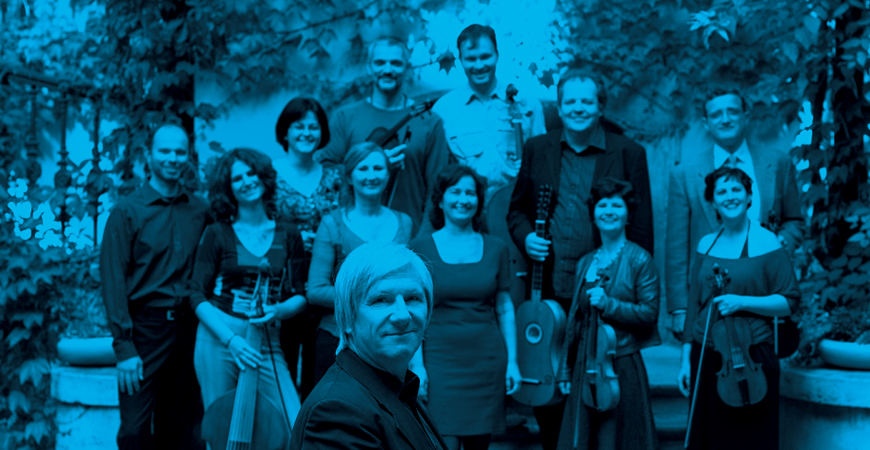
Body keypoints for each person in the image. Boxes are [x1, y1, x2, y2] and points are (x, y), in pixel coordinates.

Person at [506, 67, 654, 450]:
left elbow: (641, 227)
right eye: (570, 101)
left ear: (600, 107)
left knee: (599, 392)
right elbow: (516, 210)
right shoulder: (537, 148)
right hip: (550, 289)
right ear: (559, 107)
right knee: (550, 379)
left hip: (604, 293)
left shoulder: (629, 153)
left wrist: (630, 288)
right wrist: (527, 238)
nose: (578, 108)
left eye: (586, 101)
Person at [676, 167, 800, 450]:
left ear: (748, 197)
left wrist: (743, 302)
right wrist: (685, 359)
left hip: (752, 356)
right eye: (721, 191)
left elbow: (790, 300)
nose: (729, 196)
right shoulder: (706, 244)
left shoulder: (767, 241)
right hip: (707, 354)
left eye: (736, 189)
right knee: (708, 437)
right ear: (713, 202)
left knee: (749, 438)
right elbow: (695, 304)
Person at [100, 123, 207, 450]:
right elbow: (113, 281)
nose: (173, 158)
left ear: (188, 156)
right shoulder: (126, 211)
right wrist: (124, 348)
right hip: (144, 332)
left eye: (180, 151)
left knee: (181, 430)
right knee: (134, 430)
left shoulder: (200, 210)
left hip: (189, 331)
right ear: (148, 155)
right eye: (165, 151)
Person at [666, 87, 803, 341]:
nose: (725, 119)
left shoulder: (778, 163)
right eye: (716, 114)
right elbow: (676, 248)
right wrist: (679, 308)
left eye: (732, 112)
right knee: (709, 361)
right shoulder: (684, 174)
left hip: (764, 292)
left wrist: (781, 241)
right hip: (709, 296)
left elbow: (794, 220)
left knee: (763, 359)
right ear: (706, 123)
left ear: (746, 116)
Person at [188, 148, 305, 445]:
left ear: (263, 177)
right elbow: (196, 294)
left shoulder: (288, 233)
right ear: (229, 189)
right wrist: (231, 340)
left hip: (267, 339)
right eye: (237, 178)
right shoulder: (217, 233)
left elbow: (301, 295)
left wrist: (279, 311)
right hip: (220, 337)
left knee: (294, 423)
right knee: (221, 432)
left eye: (251, 173)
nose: (246, 181)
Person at [290, 242, 448, 450]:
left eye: (413, 298)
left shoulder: (397, 386)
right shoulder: (337, 412)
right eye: (381, 300)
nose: (402, 315)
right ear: (347, 318)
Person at [409, 165, 522, 450]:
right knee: (441, 442)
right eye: (455, 191)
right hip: (438, 362)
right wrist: (417, 365)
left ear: (479, 201)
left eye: (470, 193)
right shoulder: (420, 247)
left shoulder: (496, 247)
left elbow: (504, 308)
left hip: (486, 362)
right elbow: (414, 311)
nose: (463, 199)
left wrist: (513, 362)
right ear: (440, 200)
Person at [556, 177, 660, 450]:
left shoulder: (640, 259)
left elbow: (649, 314)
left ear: (628, 215)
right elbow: (574, 320)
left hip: (621, 364)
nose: (609, 211)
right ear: (593, 215)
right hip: (586, 364)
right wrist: (565, 369)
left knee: (619, 439)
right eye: (602, 205)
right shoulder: (585, 262)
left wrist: (609, 304)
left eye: (617, 205)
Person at [314, 36, 451, 234]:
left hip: (409, 235)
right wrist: (372, 166)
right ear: (369, 67)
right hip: (353, 235)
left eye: (396, 63)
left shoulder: (429, 122)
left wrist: (424, 238)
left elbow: (437, 188)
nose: (387, 70)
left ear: (407, 67)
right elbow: (324, 173)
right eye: (380, 62)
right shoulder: (345, 117)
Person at [307, 142, 415, 386]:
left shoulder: (404, 222)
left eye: (378, 168)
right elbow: (315, 290)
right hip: (338, 338)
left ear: (388, 174)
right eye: (363, 168)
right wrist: (372, 298)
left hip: (390, 338)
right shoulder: (332, 223)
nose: (371, 175)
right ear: (349, 176)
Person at [274, 96, 342, 400]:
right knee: (283, 366)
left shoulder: (335, 177)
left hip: (324, 282)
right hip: (282, 285)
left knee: (320, 370)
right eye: (298, 126)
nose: (306, 133)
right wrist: (295, 240)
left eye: (313, 127)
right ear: (285, 132)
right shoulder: (268, 175)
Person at [431, 24, 546, 198]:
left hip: (518, 203)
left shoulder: (528, 104)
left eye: (485, 57)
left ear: (497, 55)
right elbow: (439, 170)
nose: (479, 65)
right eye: (471, 59)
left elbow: (541, 162)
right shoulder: (444, 109)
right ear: (460, 60)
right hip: (467, 205)